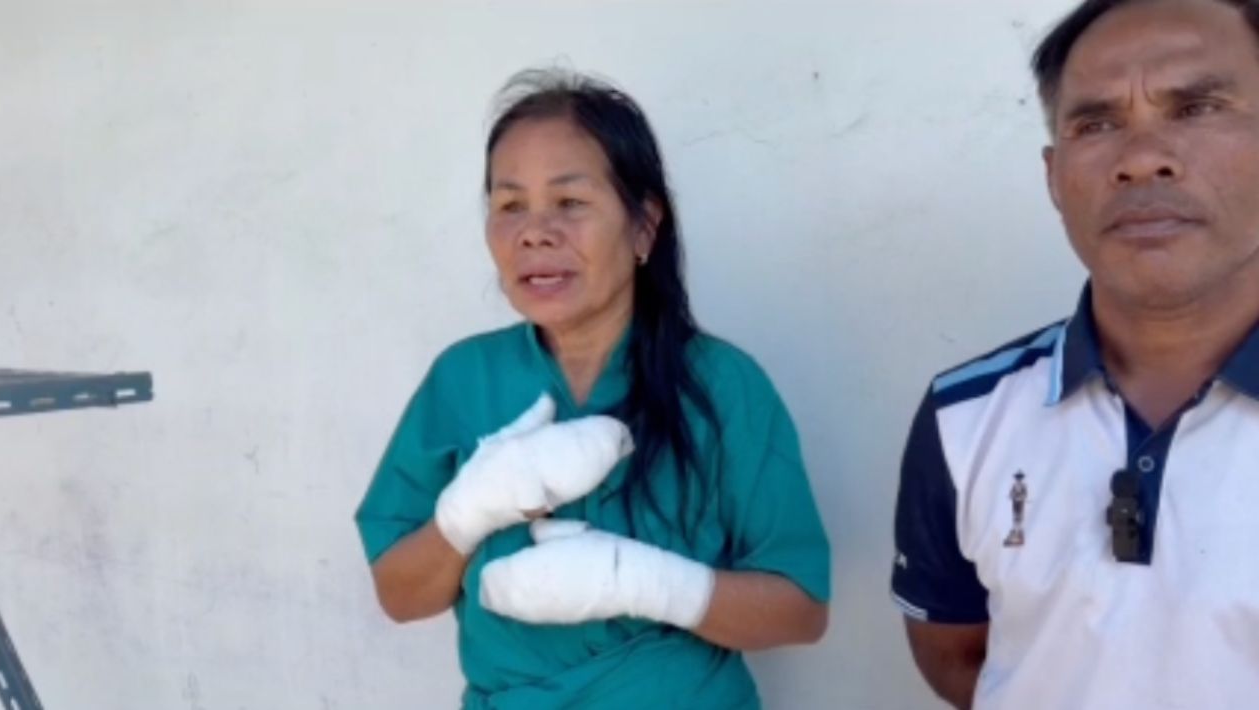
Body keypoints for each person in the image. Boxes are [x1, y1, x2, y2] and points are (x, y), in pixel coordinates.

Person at [356, 69, 831, 709]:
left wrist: (643, 582)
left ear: (644, 226)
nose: (535, 231)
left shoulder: (722, 385)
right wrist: (470, 511)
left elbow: (801, 609)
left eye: (570, 202)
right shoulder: (463, 381)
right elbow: (400, 595)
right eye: (510, 205)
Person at [891, 1, 1259, 708]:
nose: (1142, 158)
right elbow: (960, 656)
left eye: (1197, 108)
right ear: (1054, 177)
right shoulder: (965, 418)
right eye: (1096, 124)